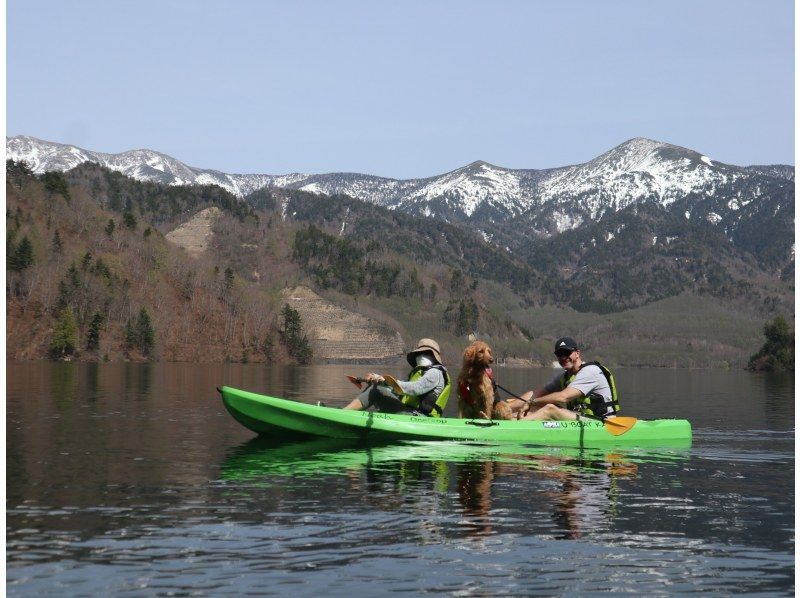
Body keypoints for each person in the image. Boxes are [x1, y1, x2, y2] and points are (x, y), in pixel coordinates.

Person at [514, 337, 620, 421]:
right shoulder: (564, 377)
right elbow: (535, 394)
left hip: (602, 422)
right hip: (580, 418)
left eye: (567, 353)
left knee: (550, 409)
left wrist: (532, 402)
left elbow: (563, 397)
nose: (563, 357)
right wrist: (511, 407)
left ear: (577, 353)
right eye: (560, 354)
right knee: (536, 408)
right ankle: (509, 419)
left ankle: (516, 429)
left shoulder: (590, 371)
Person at [343, 338, 452, 417]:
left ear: (433, 357)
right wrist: (379, 381)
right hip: (409, 412)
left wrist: (385, 381)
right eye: (420, 353)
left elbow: (416, 388)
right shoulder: (419, 373)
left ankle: (344, 414)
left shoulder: (435, 373)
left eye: (426, 353)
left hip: (420, 417)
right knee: (377, 388)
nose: (421, 356)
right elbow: (396, 389)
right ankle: (346, 413)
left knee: (376, 391)